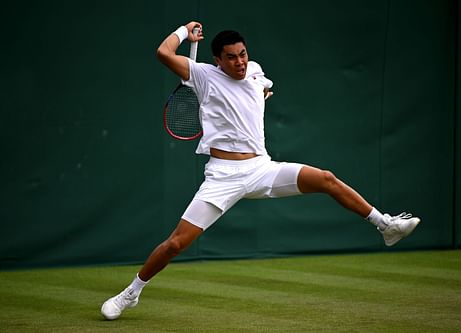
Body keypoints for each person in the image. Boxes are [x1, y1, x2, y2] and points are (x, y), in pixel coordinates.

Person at [100, 21, 420, 320]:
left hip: (261, 168)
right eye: (231, 58)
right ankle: (132, 292)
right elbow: (163, 53)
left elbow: (258, 90)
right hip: (223, 177)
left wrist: (262, 94)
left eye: (243, 54)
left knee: (325, 179)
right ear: (218, 61)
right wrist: (184, 30)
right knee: (175, 244)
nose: (239, 62)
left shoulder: (254, 72)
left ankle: (385, 225)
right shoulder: (202, 75)